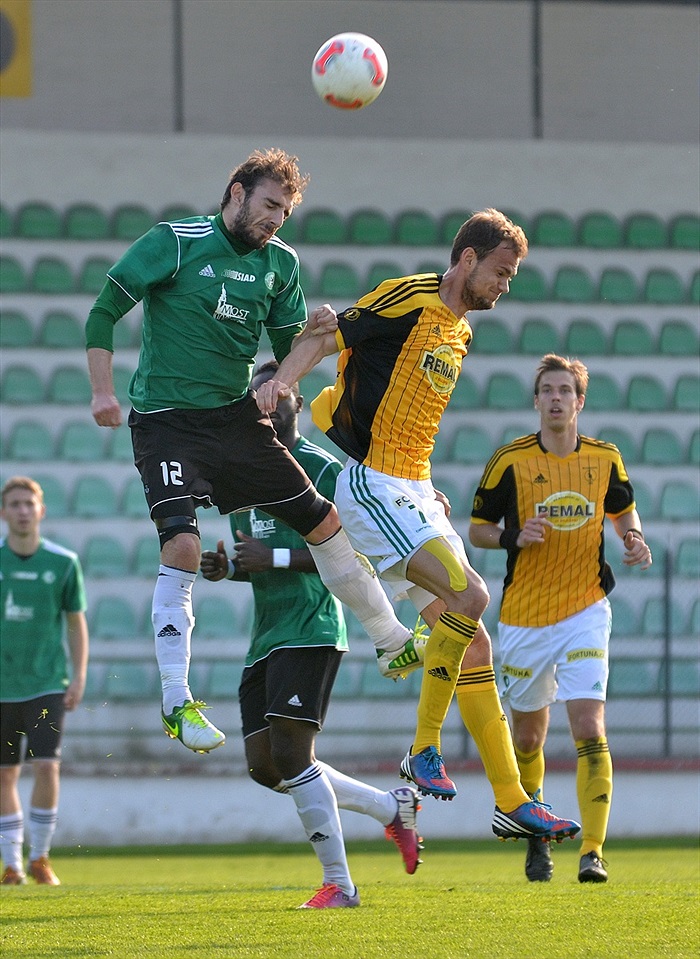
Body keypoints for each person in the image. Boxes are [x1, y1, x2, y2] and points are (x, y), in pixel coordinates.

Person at [255, 208, 580, 845]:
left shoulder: (460, 332)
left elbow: (412, 413)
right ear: (467, 260)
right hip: (371, 481)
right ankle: (422, 751)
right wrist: (281, 388)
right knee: (472, 597)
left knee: (474, 642)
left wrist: (425, 484)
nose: (505, 285)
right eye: (501, 272)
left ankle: (512, 800)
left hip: (412, 486)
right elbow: (326, 338)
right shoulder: (408, 296)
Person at [85, 148, 422, 756]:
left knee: (323, 519)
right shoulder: (177, 241)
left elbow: (294, 344)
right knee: (183, 545)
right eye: (269, 206)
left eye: (285, 213)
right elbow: (104, 310)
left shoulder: (280, 264)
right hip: (167, 423)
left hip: (236, 422)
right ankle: (176, 698)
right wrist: (103, 391)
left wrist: (294, 362)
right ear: (236, 193)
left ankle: (390, 634)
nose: (276, 220)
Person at [200, 361, 422, 909]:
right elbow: (259, 552)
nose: (268, 403)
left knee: (294, 757)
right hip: (267, 632)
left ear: (297, 399)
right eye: (258, 396)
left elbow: (350, 554)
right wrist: (231, 567)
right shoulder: (247, 470)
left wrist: (270, 555)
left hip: (314, 625)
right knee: (265, 765)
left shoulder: (320, 470)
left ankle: (340, 886)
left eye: (277, 393)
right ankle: (390, 809)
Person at [469, 353, 653, 883]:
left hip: (585, 609)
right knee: (528, 738)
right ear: (536, 401)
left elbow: (621, 509)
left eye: (564, 391)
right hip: (524, 618)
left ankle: (592, 850)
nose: (555, 398)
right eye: (546, 390)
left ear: (579, 401)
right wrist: (512, 535)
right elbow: (477, 529)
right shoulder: (509, 461)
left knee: (589, 726)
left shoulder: (605, 458)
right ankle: (538, 833)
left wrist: (633, 537)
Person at [0, 476, 89, 886]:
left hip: (47, 682)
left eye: (28, 504)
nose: (21, 510)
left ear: (41, 511)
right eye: (14, 504)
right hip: (3, 686)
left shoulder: (63, 562)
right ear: (4, 512)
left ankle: (39, 857)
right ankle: (11, 864)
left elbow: (75, 623)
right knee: (4, 774)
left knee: (47, 767)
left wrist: (78, 675)